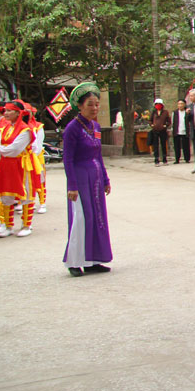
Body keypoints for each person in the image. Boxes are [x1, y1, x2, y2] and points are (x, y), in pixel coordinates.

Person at [61, 83, 113, 277]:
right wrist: (72, 185)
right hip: (80, 178)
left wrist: (106, 178)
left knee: (98, 218)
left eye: (97, 104)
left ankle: (94, 260)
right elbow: (67, 158)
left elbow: (99, 154)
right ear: (80, 106)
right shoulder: (72, 129)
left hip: (96, 178)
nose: (95, 108)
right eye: (90, 104)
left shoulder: (96, 126)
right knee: (82, 218)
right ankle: (74, 261)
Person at [0, 100, 34, 237]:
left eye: (9, 110)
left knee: (25, 192)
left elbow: (14, 149)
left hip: (21, 164)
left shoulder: (25, 130)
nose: (5, 113)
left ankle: (26, 225)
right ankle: (8, 226)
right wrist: (3, 150)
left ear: (18, 113)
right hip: (6, 165)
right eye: (5, 110)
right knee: (6, 194)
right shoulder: (5, 128)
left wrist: (2, 149)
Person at [149, 98, 170, 166]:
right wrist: (152, 125)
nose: (158, 106)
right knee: (155, 145)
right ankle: (156, 160)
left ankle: (164, 159)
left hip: (163, 130)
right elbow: (150, 120)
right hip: (155, 130)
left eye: (159, 104)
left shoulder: (165, 112)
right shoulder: (153, 112)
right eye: (157, 104)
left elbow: (168, 121)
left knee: (163, 145)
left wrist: (165, 126)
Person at [172, 99, 191, 164]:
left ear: (184, 104)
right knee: (177, 146)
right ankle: (177, 159)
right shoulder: (175, 112)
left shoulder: (187, 111)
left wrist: (188, 114)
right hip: (177, 131)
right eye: (179, 104)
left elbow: (189, 120)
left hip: (185, 131)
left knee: (186, 145)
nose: (180, 105)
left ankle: (187, 158)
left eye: (181, 104)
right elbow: (172, 122)